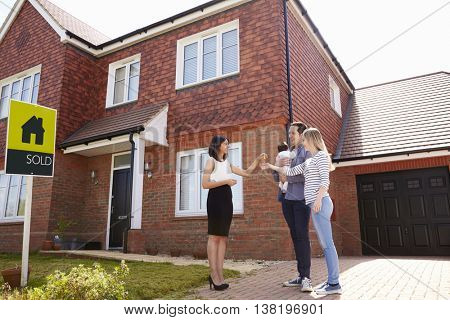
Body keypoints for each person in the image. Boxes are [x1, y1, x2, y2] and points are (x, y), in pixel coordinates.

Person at [262, 128, 342, 295]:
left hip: (320, 203)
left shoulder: (319, 157)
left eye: (304, 140)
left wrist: (318, 200)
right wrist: (270, 165)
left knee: (327, 245)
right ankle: (331, 281)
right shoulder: (310, 161)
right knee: (325, 244)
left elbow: (325, 182)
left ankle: (334, 283)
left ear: (311, 140)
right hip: (315, 204)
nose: (303, 143)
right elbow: (290, 172)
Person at [202, 135, 265, 291]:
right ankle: (213, 274)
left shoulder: (227, 163)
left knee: (223, 237)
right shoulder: (211, 161)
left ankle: (219, 275)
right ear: (217, 145)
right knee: (214, 236)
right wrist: (226, 182)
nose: (227, 146)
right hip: (215, 200)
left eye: (228, 144)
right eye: (225, 144)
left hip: (226, 200)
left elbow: (247, 172)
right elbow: (205, 184)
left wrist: (256, 161)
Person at [272, 122, 313, 292]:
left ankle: (307, 278)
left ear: (302, 134)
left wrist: (286, 177)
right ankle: (300, 275)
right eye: (289, 133)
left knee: (302, 236)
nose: (290, 136)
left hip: (301, 199)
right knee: (295, 236)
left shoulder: (307, 151)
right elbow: (277, 174)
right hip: (286, 199)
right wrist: (278, 173)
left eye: (293, 133)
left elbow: (305, 174)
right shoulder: (288, 153)